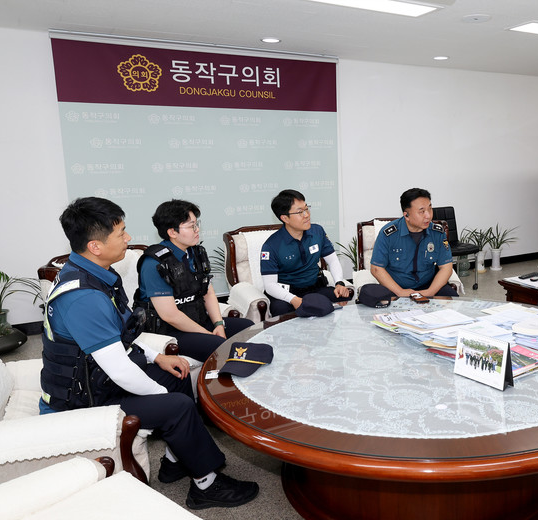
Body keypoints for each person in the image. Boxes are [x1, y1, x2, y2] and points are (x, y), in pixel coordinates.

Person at [39, 197, 259, 510]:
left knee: (178, 372)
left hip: (96, 378)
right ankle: (206, 486)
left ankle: (174, 462)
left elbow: (122, 336)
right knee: (177, 404)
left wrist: (157, 358)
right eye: (121, 233)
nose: (128, 238)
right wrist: (161, 396)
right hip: (81, 401)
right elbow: (119, 369)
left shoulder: (96, 276)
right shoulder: (83, 297)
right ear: (95, 246)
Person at [135, 200, 253, 362]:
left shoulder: (196, 253)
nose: (197, 230)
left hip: (199, 320)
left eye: (197, 224)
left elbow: (208, 293)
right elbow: (170, 316)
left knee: (248, 328)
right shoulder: (154, 264)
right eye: (191, 226)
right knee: (220, 347)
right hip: (171, 331)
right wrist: (208, 334)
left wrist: (218, 324)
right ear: (172, 232)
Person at [261, 189, 352, 316]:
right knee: (281, 309)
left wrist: (339, 283)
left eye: (306, 209)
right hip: (287, 294)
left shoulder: (317, 232)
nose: (306, 215)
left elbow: (332, 260)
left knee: (341, 296)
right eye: (300, 212)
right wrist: (294, 300)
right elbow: (270, 285)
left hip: (315, 288)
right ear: (285, 218)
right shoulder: (271, 246)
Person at [369, 188, 458, 298]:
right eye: (422, 211)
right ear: (406, 215)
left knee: (451, 298)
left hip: (428, 285)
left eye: (430, 209)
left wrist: (430, 292)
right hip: (395, 288)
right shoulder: (388, 234)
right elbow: (376, 268)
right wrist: (400, 292)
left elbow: (446, 267)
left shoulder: (437, 233)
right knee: (371, 295)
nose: (428, 216)